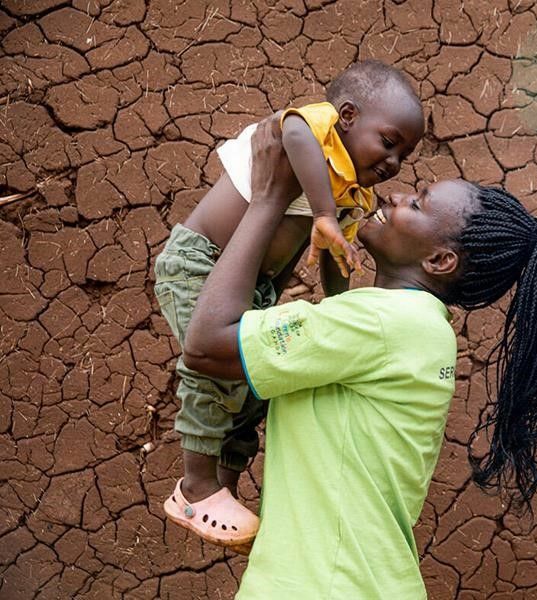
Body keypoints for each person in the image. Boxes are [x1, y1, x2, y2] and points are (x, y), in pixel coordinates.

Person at [178, 116, 537, 597]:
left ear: (439, 261)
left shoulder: (378, 322)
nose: (396, 195)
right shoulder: (419, 329)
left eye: (417, 204)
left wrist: (269, 199)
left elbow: (205, 343)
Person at [154, 59, 425, 550]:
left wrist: (343, 305)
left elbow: (332, 256)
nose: (394, 163)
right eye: (389, 142)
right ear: (345, 115)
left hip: (254, 288)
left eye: (404, 154)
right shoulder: (313, 131)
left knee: (258, 383)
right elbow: (293, 130)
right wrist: (323, 212)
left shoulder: (352, 192)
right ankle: (194, 485)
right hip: (199, 264)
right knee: (211, 370)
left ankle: (227, 481)